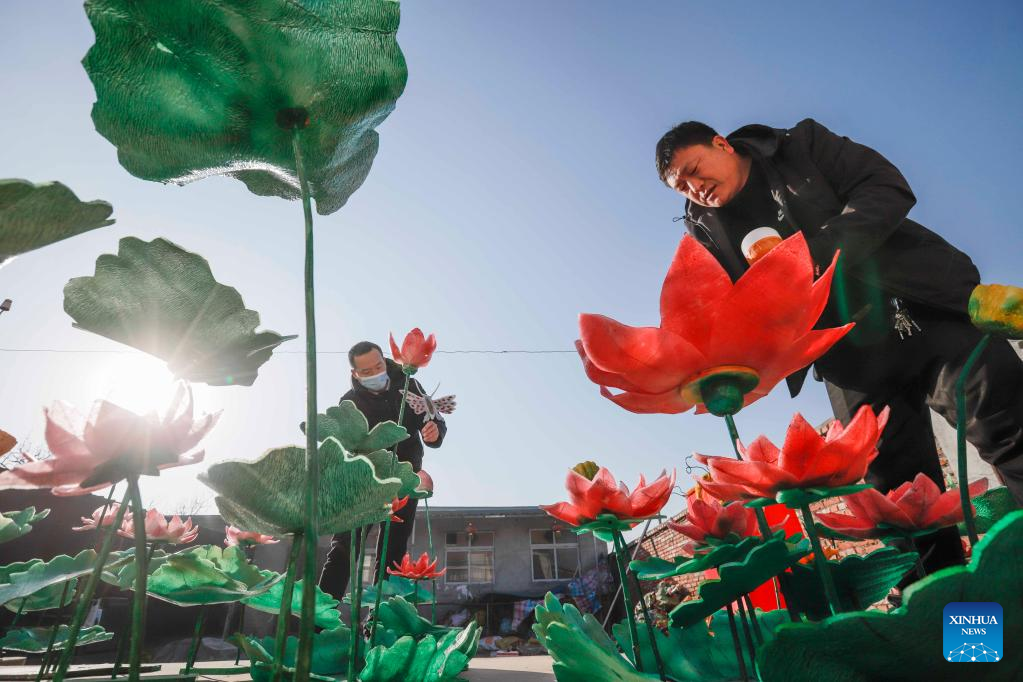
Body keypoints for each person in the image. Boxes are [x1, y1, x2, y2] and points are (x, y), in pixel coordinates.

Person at [654, 118, 1023, 575]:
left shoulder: (801, 147)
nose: (695, 187)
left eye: (694, 168)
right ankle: (956, 640)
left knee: (1011, 427)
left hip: (922, 308)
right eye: (682, 186)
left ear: (721, 144)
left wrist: (810, 252)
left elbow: (885, 188)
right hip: (846, 358)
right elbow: (731, 314)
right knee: (901, 504)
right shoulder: (704, 234)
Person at [318, 340, 447, 600]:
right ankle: (320, 620)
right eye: (367, 372)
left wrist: (434, 433)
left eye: (379, 366)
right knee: (345, 544)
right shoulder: (349, 402)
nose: (376, 374)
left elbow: (434, 419)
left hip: (405, 477)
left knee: (394, 547)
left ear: (385, 361)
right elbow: (340, 447)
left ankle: (379, 620)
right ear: (356, 374)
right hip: (363, 481)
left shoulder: (409, 384)